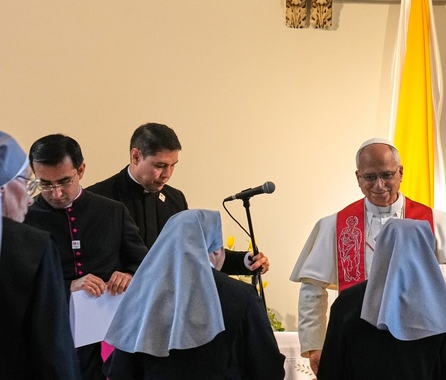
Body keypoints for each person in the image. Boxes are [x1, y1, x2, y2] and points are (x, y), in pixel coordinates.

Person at [291, 138, 446, 375]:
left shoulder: (432, 221)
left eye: (387, 175)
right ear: (358, 177)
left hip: (420, 339)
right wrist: (315, 345)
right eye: (369, 177)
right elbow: (312, 289)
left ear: (400, 173)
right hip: (360, 342)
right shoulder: (335, 225)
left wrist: (418, 280)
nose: (379, 185)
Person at [103, 209, 285, 380]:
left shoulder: (143, 294)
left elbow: (121, 369)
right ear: (215, 251)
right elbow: (267, 368)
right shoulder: (241, 295)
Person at [23, 133, 149, 380]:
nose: (56, 193)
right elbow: (16, 282)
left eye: (64, 181)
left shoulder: (112, 211)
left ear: (81, 170)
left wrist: (129, 275)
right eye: (45, 184)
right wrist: (69, 285)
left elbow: (144, 263)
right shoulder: (24, 216)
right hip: (50, 335)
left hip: (106, 337)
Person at [89, 122, 269, 276]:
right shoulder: (99, 197)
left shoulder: (175, 199)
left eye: (173, 165)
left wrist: (246, 261)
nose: (167, 174)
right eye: (160, 166)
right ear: (136, 156)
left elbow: (195, 254)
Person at [316, 219, 446, 380]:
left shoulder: (346, 302)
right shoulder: (443, 307)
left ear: (381, 248)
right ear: (426, 251)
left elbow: (330, 370)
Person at [0, 130, 83, 380]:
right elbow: (53, 352)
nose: (29, 198)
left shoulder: (112, 211)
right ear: (3, 187)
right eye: (27, 183)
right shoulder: (30, 247)